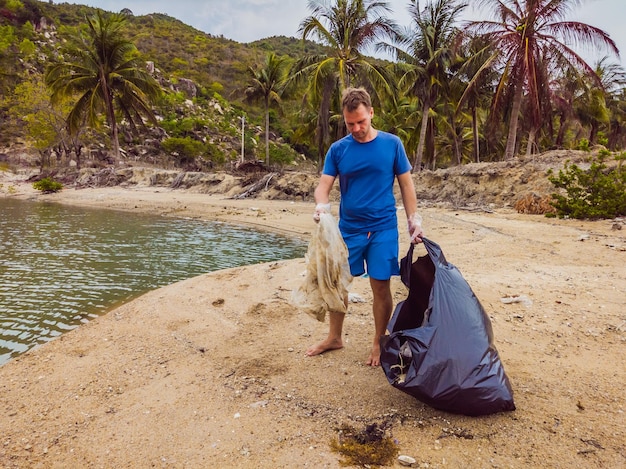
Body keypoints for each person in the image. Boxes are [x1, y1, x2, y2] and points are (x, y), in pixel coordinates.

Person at [307, 86, 423, 367]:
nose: (357, 128)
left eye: (362, 121)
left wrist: (413, 219)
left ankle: (378, 340)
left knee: (380, 286)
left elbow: (406, 184)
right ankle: (335, 337)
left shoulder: (392, 144)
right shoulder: (338, 150)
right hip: (349, 229)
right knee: (339, 284)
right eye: (350, 124)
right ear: (344, 121)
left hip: (383, 227)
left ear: (371, 113)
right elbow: (323, 187)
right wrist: (321, 206)